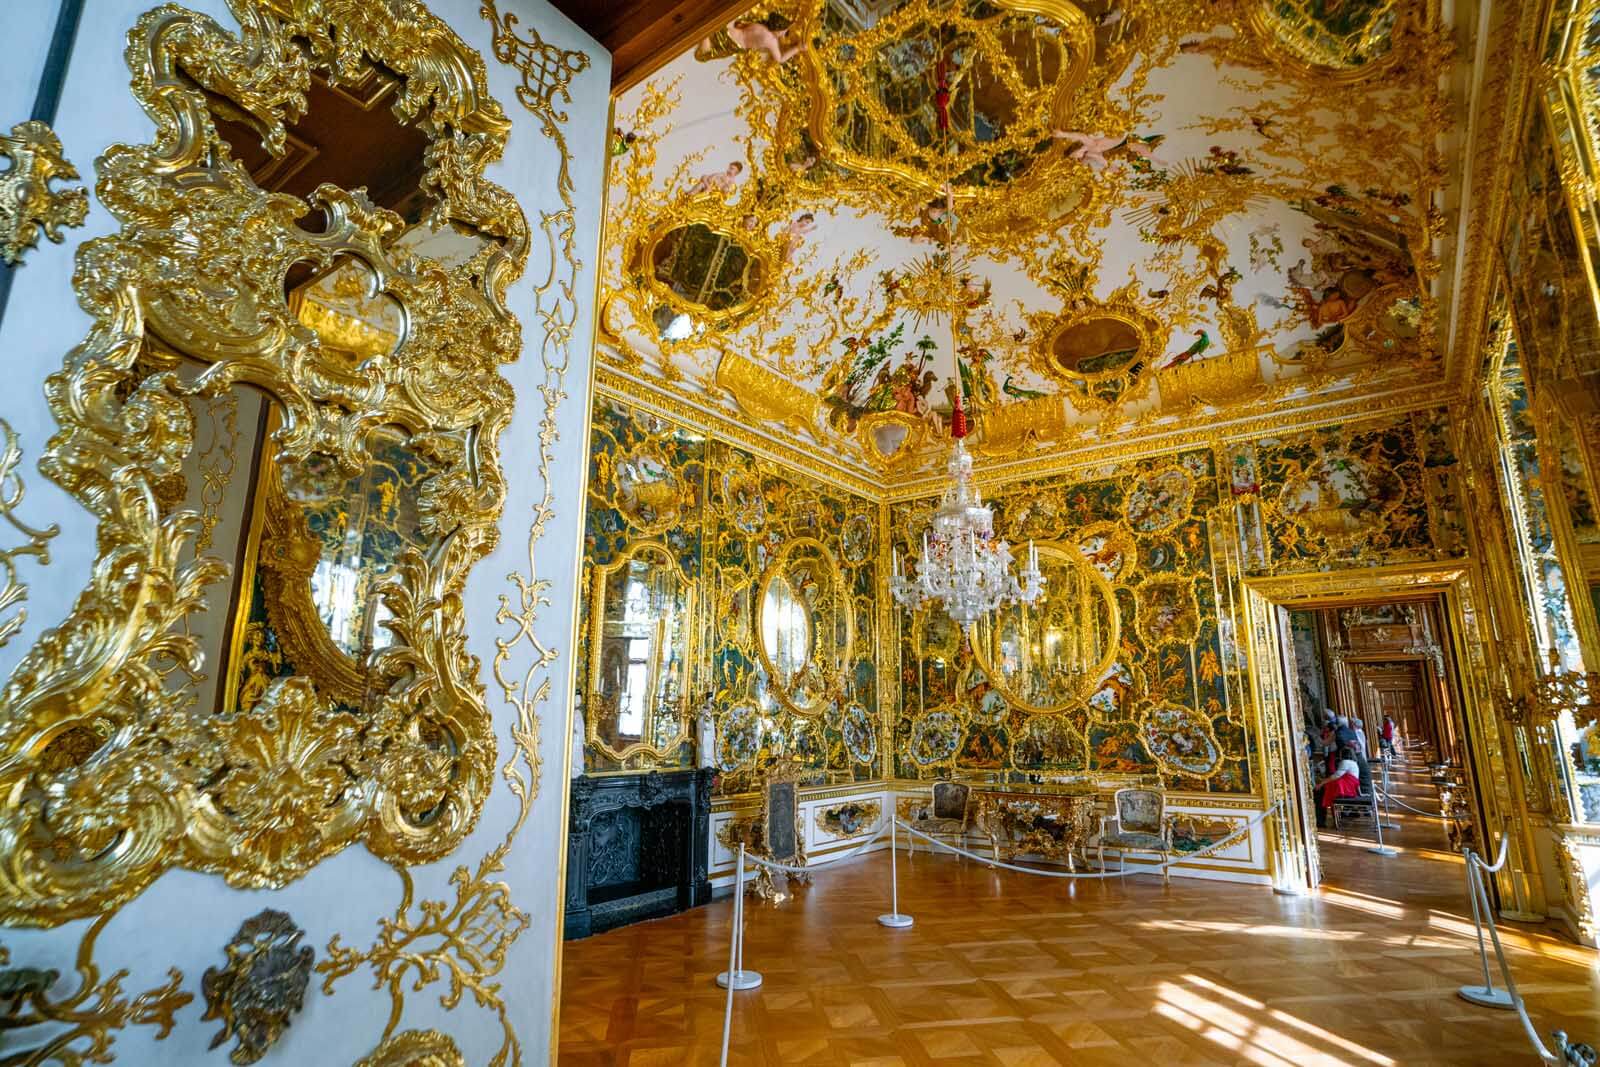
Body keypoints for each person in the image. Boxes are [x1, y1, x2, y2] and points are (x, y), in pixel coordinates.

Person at [1314, 744, 1362, 828]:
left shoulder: (1345, 762)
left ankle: (1320, 820)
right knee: (1323, 791)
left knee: (1320, 793)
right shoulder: (1353, 763)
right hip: (1350, 789)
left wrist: (1321, 783)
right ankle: (1322, 820)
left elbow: (1336, 776)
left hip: (1345, 790)